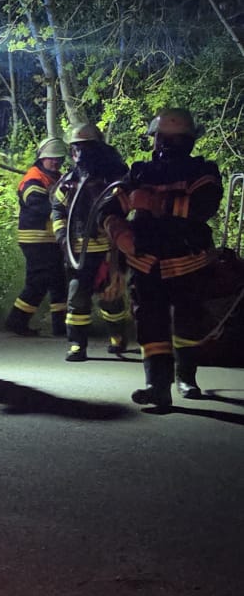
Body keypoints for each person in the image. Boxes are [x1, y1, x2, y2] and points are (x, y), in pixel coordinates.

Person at [102, 108, 222, 412]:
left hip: (187, 261)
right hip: (147, 262)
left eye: (165, 139)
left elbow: (202, 207)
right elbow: (107, 209)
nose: (161, 145)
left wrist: (155, 202)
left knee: (188, 322)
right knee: (151, 325)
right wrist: (119, 233)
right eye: (160, 139)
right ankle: (158, 386)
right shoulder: (140, 173)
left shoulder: (202, 173)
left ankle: (186, 377)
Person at [53, 122, 130, 361]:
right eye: (76, 148)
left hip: (109, 251)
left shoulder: (115, 177)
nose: (80, 153)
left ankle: (118, 335)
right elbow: (57, 210)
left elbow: (125, 208)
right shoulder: (68, 181)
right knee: (77, 298)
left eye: (85, 147)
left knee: (111, 298)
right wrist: (61, 238)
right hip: (78, 252)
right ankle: (77, 344)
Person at [4, 138, 66, 335]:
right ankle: (16, 321)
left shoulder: (57, 178)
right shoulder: (33, 178)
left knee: (58, 281)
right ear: (41, 158)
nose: (55, 162)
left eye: (58, 159)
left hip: (50, 238)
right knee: (38, 282)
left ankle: (61, 326)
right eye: (51, 159)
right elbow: (37, 204)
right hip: (36, 239)